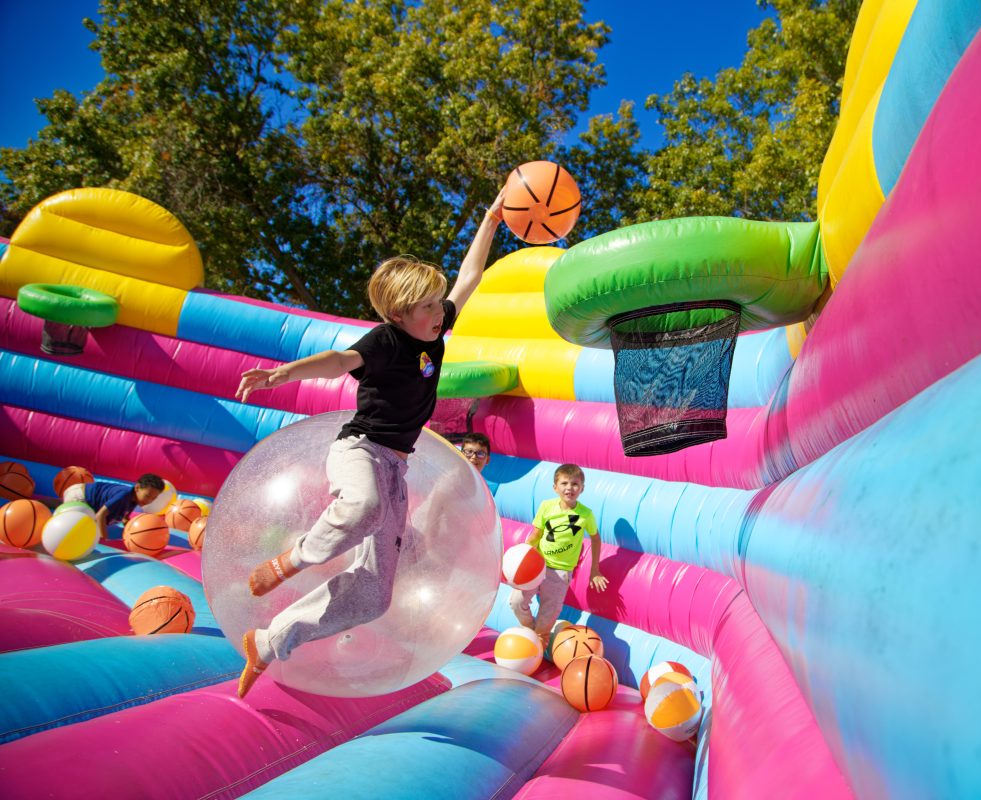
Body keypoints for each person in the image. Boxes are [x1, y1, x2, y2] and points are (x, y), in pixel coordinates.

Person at [231, 189, 505, 698]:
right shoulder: (386, 341)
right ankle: (294, 559)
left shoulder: (433, 334)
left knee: (375, 596)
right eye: (427, 308)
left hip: (396, 469)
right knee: (362, 504)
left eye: (437, 305)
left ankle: (268, 642)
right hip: (360, 450)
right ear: (399, 314)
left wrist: (490, 220)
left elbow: (470, 278)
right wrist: (282, 375)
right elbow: (338, 361)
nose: (439, 314)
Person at [509, 463, 608, 649]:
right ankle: (530, 629)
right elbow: (536, 535)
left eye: (575, 484)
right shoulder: (547, 506)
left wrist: (595, 569)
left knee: (548, 614)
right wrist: (522, 555)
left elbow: (595, 538)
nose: (569, 488)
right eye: (564, 483)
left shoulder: (585, 514)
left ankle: (538, 645)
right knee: (516, 601)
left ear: (582, 488)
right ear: (555, 487)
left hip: (561, 571)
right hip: (538, 565)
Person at [62, 474, 165, 534]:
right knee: (83, 529)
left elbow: (125, 517)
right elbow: (100, 515)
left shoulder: (134, 499)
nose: (149, 501)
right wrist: (103, 538)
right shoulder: (123, 495)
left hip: (81, 497)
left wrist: (134, 531)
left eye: (154, 498)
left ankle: (52, 501)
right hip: (79, 496)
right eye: (147, 496)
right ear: (137, 488)